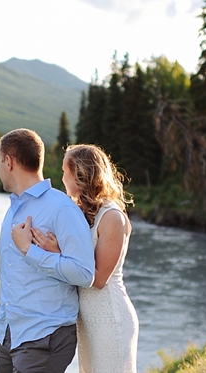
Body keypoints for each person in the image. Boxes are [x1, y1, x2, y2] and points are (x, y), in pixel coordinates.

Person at [0, 128, 95, 373]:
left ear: (9, 162)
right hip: (7, 334)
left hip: (43, 337)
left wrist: (30, 250)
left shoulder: (61, 208)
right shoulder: (13, 209)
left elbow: (85, 273)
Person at [32, 144, 139, 373]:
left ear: (80, 174)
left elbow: (98, 279)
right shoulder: (80, 212)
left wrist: (57, 253)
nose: (61, 177)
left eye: (64, 171)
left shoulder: (111, 217)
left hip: (110, 318)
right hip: (87, 321)